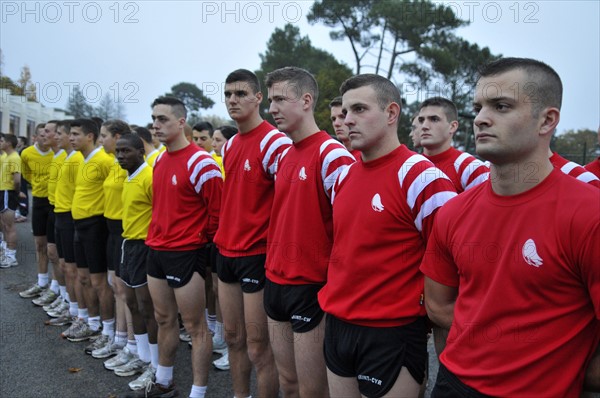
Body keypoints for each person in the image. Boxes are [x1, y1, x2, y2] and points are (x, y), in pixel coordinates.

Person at [421, 57, 600, 397]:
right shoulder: (454, 211)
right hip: (453, 384)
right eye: (478, 107)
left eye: (501, 106)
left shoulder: (589, 214)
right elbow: (439, 304)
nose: (481, 119)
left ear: (547, 120)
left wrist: (565, 369)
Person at [317, 74, 457, 398]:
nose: (347, 119)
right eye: (345, 111)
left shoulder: (422, 177)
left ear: (391, 113)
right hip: (337, 324)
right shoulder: (343, 176)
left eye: (359, 109)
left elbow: (453, 265)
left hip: (391, 332)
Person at [264, 66, 355, 397]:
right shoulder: (285, 153)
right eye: (270, 100)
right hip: (275, 280)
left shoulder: (332, 155)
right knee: (288, 384)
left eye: (279, 99)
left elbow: (352, 230)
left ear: (305, 101)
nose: (271, 108)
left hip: (311, 287)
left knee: (312, 390)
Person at [133, 96, 222, 398]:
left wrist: (198, 241)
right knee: (163, 319)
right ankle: (163, 382)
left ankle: (198, 392)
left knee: (196, 326)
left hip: (186, 253)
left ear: (181, 122)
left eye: (163, 119)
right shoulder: (157, 159)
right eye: (154, 119)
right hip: (156, 250)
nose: (156, 125)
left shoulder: (202, 162)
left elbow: (217, 212)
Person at [213, 69, 291, 398]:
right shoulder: (229, 145)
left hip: (257, 255)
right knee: (233, 339)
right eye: (228, 94)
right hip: (225, 252)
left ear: (258, 98)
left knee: (260, 348)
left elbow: (290, 202)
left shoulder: (276, 142)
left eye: (241, 93)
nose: (233, 100)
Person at [113, 133, 159, 392]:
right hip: (127, 243)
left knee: (146, 307)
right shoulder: (127, 176)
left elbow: (160, 212)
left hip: (144, 247)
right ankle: (142, 358)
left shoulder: (149, 176)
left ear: (140, 152)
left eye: (126, 151)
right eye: (118, 151)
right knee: (129, 301)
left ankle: (155, 363)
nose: (120, 156)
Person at [68, 118, 115, 343]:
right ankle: (92, 322)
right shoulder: (81, 159)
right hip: (79, 225)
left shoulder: (105, 160)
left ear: (90, 136)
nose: (71, 138)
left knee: (99, 282)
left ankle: (108, 330)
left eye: (76, 134)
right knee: (84, 277)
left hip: (96, 226)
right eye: (71, 134)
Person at [418, 97, 489, 193]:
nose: (424, 126)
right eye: (421, 120)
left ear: (452, 126)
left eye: (434, 119)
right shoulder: (409, 166)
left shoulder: (471, 168)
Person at [18, 122, 55, 299]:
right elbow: (26, 174)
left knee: (54, 248)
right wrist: (39, 184)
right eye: (42, 134)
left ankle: (55, 286)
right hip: (39, 200)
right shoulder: (26, 153)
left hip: (57, 202)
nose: (45, 137)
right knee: (40, 244)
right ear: (36, 136)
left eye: (47, 133)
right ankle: (41, 282)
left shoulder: (58, 153)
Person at [0, 133, 22, 268]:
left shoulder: (14, 157)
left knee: (9, 226)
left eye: (2, 140)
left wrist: (17, 192)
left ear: (8, 143)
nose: (0, 142)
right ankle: (5, 251)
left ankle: (11, 256)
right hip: (3, 191)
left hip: (8, 192)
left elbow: (17, 180)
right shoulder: (6, 156)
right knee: (4, 225)